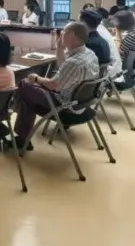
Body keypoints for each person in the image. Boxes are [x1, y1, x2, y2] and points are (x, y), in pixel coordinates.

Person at [12, 22, 100, 151]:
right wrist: (59, 48)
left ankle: (21, 135)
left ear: (71, 35)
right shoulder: (89, 54)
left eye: (63, 31)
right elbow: (64, 68)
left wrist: (36, 78)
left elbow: (53, 85)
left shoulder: (74, 62)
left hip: (65, 105)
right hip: (82, 103)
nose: (61, 34)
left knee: (25, 84)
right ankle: (22, 138)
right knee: (28, 97)